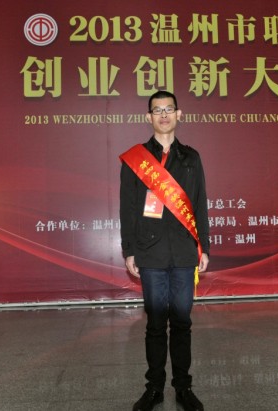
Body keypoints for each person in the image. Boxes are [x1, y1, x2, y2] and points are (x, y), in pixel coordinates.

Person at [119, 90, 210, 411]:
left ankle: (183, 388)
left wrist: (203, 246)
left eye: (169, 109)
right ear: (149, 117)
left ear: (178, 114)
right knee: (156, 324)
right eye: (157, 110)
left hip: (184, 251)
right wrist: (129, 250)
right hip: (150, 251)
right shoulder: (137, 159)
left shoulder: (191, 158)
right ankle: (154, 388)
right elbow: (128, 208)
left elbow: (199, 205)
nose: (163, 115)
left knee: (182, 322)